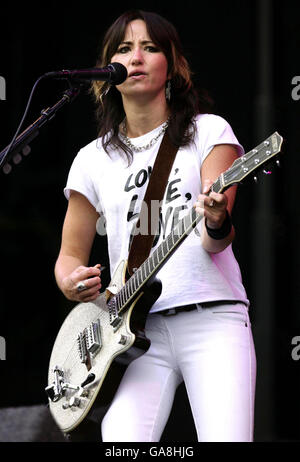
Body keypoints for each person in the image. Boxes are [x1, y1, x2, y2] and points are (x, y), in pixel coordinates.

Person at [54, 9, 256, 442]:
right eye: (124, 49)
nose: (137, 56)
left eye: (150, 47)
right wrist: (72, 282)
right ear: (107, 69)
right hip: (133, 333)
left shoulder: (208, 131)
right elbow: (69, 256)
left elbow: (215, 241)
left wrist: (217, 219)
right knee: (121, 439)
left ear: (173, 65)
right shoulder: (91, 159)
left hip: (212, 317)